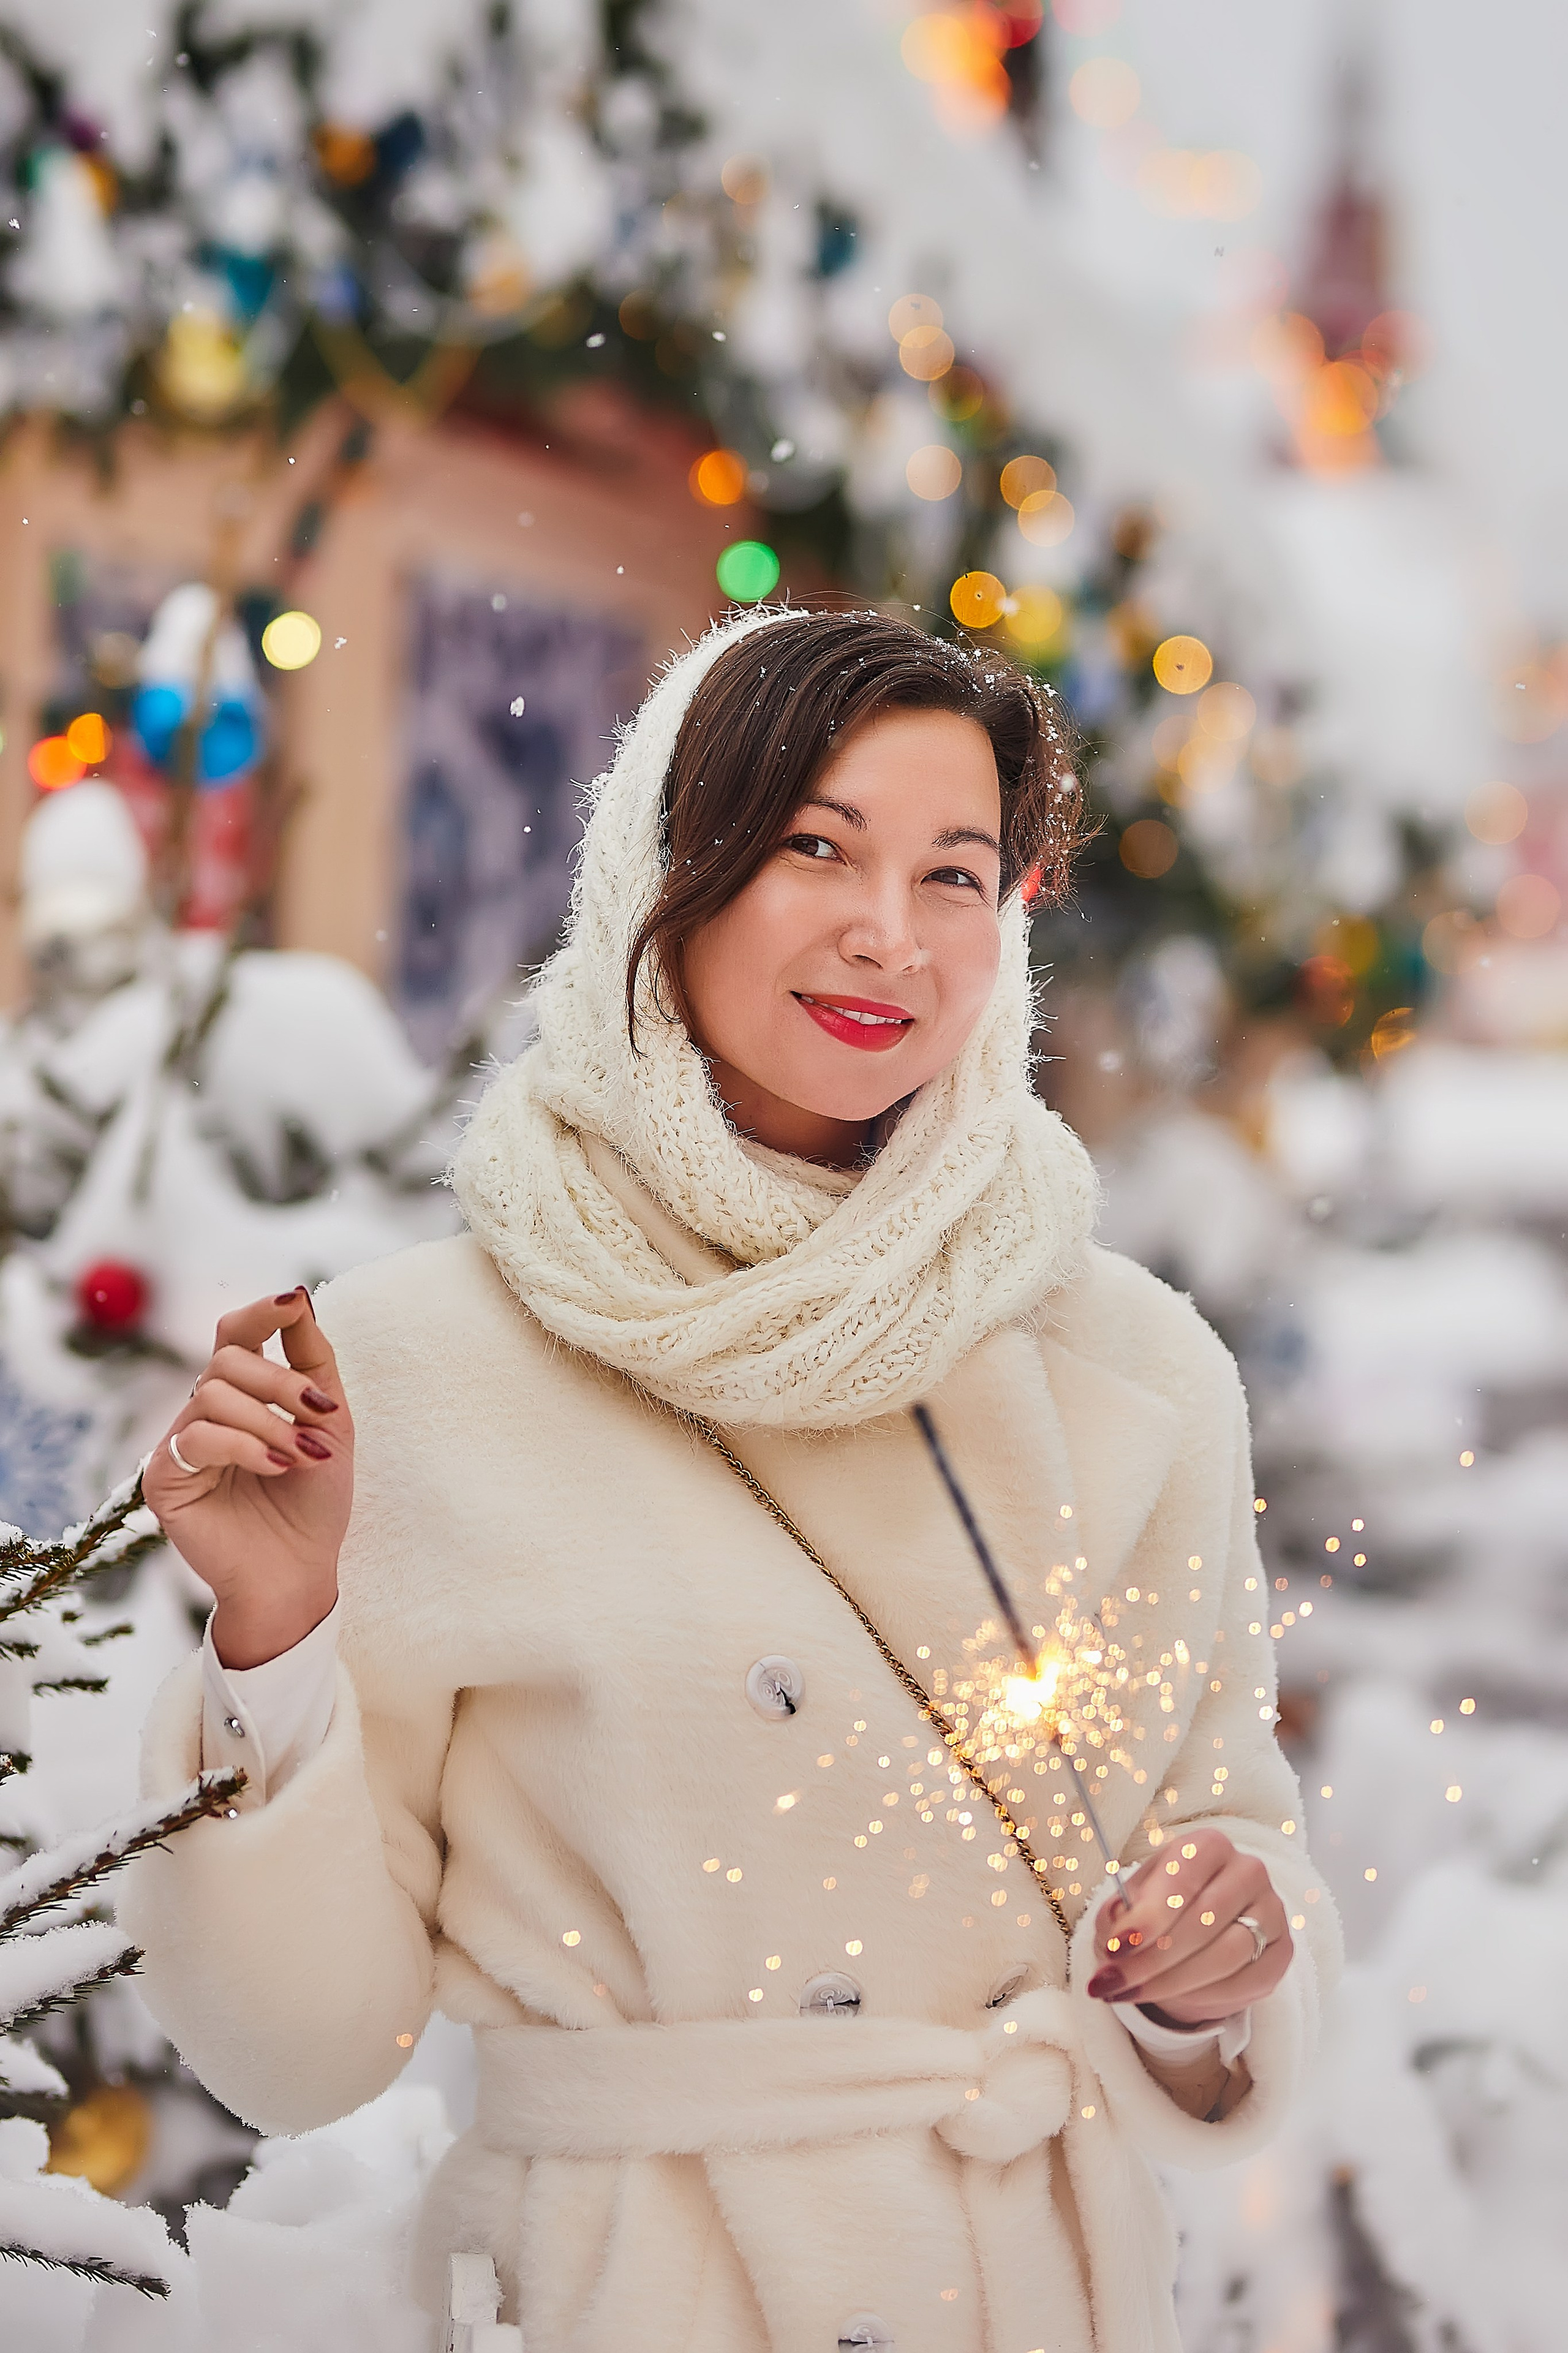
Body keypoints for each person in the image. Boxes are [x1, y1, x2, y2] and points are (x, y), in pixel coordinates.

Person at [121, 606, 1338, 2353]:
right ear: (661, 873)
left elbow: (1226, 1848)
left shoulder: (1129, 1374)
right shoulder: (416, 1369)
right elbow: (299, 2050)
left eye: (953, 875)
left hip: (1028, 2291)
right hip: (617, 2288)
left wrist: (1216, 1956)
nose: (885, 933)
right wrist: (276, 1628)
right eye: (813, 847)